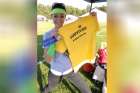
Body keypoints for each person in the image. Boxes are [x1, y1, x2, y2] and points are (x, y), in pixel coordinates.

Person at [42, 2, 92, 93]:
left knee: (87, 90)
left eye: (62, 16)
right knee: (50, 88)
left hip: (70, 70)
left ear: (65, 17)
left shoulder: (69, 30)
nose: (58, 19)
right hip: (55, 71)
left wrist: (90, 18)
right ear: (51, 16)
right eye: (55, 16)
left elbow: (81, 29)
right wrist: (54, 39)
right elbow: (48, 59)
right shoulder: (47, 35)